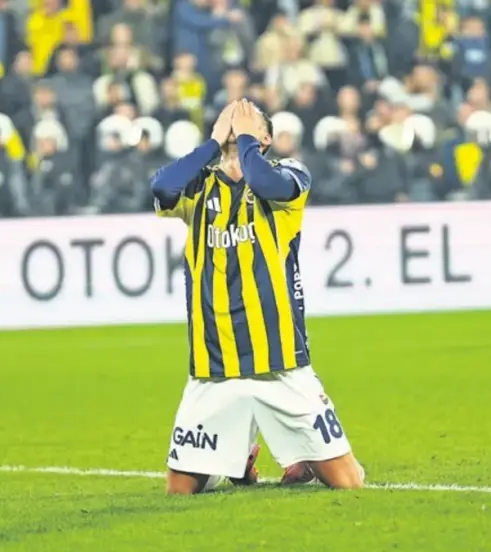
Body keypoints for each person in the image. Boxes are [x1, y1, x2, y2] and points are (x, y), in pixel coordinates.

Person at [150, 99, 365, 494]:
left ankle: (299, 455)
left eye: (247, 122)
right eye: (229, 120)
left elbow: (265, 184)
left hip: (278, 360)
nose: (236, 125)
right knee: (179, 491)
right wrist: (212, 144)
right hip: (215, 361)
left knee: (348, 483)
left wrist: (245, 138)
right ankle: (238, 456)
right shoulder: (197, 187)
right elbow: (161, 187)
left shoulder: (289, 174)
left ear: (265, 139)